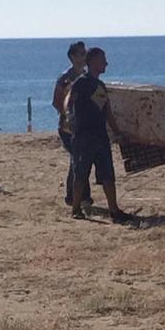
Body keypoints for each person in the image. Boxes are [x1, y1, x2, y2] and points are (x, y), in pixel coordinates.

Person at [68, 47, 134, 224]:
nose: (106, 63)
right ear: (93, 62)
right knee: (80, 173)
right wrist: (70, 122)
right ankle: (76, 209)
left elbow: (107, 111)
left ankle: (114, 210)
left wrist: (117, 132)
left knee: (107, 174)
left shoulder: (100, 85)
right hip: (83, 136)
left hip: (100, 136)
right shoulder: (81, 83)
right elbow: (70, 103)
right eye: (103, 60)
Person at [52, 41, 92, 209]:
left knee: (80, 159)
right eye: (81, 54)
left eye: (85, 54)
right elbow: (56, 102)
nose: (84, 57)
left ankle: (79, 195)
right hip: (68, 127)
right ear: (73, 56)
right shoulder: (65, 78)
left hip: (85, 126)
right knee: (77, 160)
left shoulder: (87, 76)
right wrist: (69, 116)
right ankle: (77, 196)